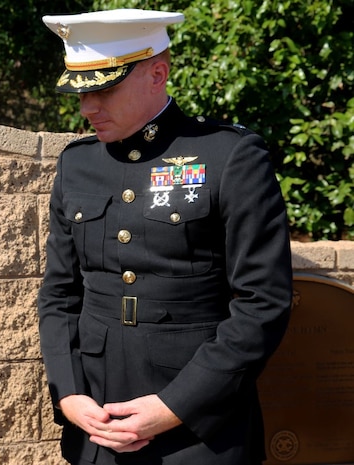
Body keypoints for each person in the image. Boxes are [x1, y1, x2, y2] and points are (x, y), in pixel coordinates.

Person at [37, 8, 293, 465]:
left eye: (104, 88)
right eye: (80, 92)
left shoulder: (229, 156)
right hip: (96, 420)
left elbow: (263, 302)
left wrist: (174, 406)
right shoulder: (76, 164)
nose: (87, 107)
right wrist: (69, 394)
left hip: (200, 428)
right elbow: (59, 294)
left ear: (158, 72)